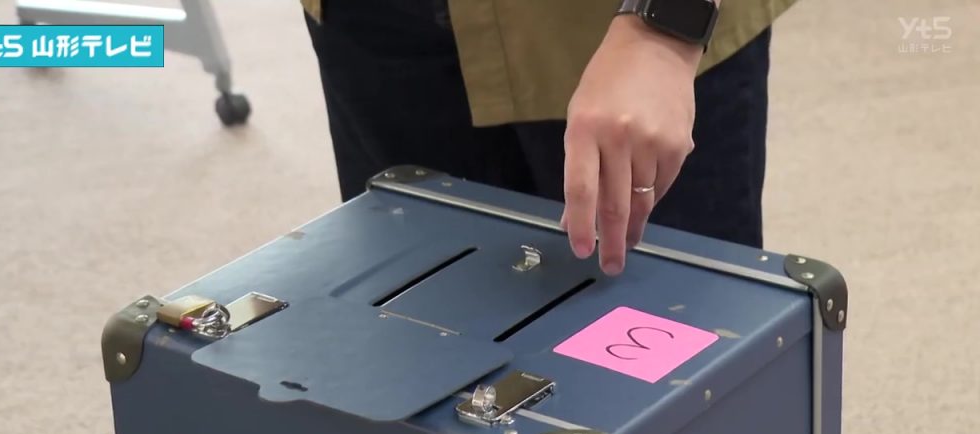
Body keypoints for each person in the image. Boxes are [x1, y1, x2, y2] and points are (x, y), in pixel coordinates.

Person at [301, 0, 797, 275]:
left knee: (675, 369)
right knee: (416, 347)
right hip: (371, 27)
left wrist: (666, 26)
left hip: (615, 41)